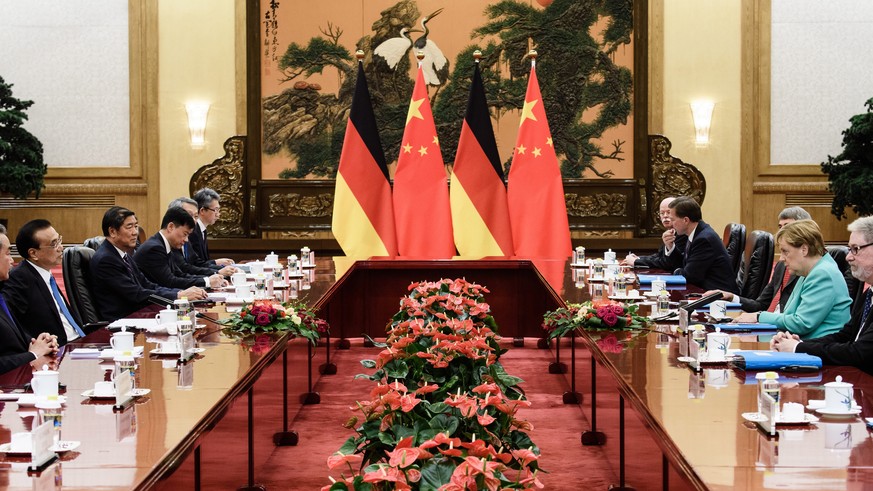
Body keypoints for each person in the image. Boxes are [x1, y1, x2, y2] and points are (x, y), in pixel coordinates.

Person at [772, 216, 873, 371]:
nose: (848, 257)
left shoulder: (823, 273)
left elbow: (859, 352)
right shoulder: (869, 294)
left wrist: (798, 348)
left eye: (855, 249)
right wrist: (800, 345)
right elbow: (844, 335)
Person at [735, 219, 850, 339]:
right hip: (799, 343)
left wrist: (758, 317)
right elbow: (789, 315)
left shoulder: (823, 274)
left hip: (817, 350)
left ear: (804, 249)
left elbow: (801, 323)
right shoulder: (807, 272)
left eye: (785, 251)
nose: (782, 258)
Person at [90, 206, 206, 321]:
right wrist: (179, 296)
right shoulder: (106, 259)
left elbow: (147, 284)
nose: (135, 232)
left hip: (138, 314)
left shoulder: (123, 255)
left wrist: (180, 293)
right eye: (129, 227)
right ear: (112, 231)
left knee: (192, 319)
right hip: (122, 323)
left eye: (136, 226)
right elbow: (136, 294)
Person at [706, 206, 812, 312]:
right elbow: (761, 304)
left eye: (787, 226)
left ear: (802, 231)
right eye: (780, 227)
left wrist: (759, 317)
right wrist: (731, 297)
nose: (782, 231)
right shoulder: (781, 266)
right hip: (766, 322)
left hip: (781, 325)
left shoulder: (807, 269)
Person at [2, 219, 87, 345]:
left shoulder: (45, 273)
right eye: (54, 244)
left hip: (80, 342)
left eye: (59, 240)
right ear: (34, 253)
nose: (61, 247)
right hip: (58, 351)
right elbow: (10, 325)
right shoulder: (19, 280)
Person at [0, 225, 59, 374]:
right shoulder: (17, 281)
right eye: (7, 253)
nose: (12, 260)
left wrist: (40, 342)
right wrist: (33, 354)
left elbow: (12, 338)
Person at [134, 206, 227, 290]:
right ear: (171, 227)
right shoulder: (154, 248)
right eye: (185, 234)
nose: (186, 240)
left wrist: (209, 279)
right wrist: (206, 282)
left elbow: (180, 274)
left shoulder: (164, 244)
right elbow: (170, 281)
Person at [668, 196, 738, 293]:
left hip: (719, 297)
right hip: (704, 291)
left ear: (685, 220)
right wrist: (670, 247)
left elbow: (689, 276)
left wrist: (675, 272)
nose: (671, 224)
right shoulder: (696, 233)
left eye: (673, 219)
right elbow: (686, 268)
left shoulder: (704, 239)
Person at [168, 197, 236, 277]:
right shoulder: (170, 241)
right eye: (189, 215)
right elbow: (184, 269)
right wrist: (216, 273)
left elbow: (196, 262)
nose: (193, 220)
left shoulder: (186, 236)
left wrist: (220, 269)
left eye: (196, 216)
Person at [622, 197, 687, 270]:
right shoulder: (671, 231)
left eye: (669, 212)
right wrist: (639, 258)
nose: (665, 216)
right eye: (662, 213)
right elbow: (659, 256)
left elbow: (666, 262)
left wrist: (637, 261)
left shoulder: (683, 233)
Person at [190, 188, 234, 268]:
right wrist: (216, 263)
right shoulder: (193, 231)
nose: (218, 214)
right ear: (202, 210)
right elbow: (195, 264)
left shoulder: (202, 230)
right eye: (216, 210)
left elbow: (203, 262)